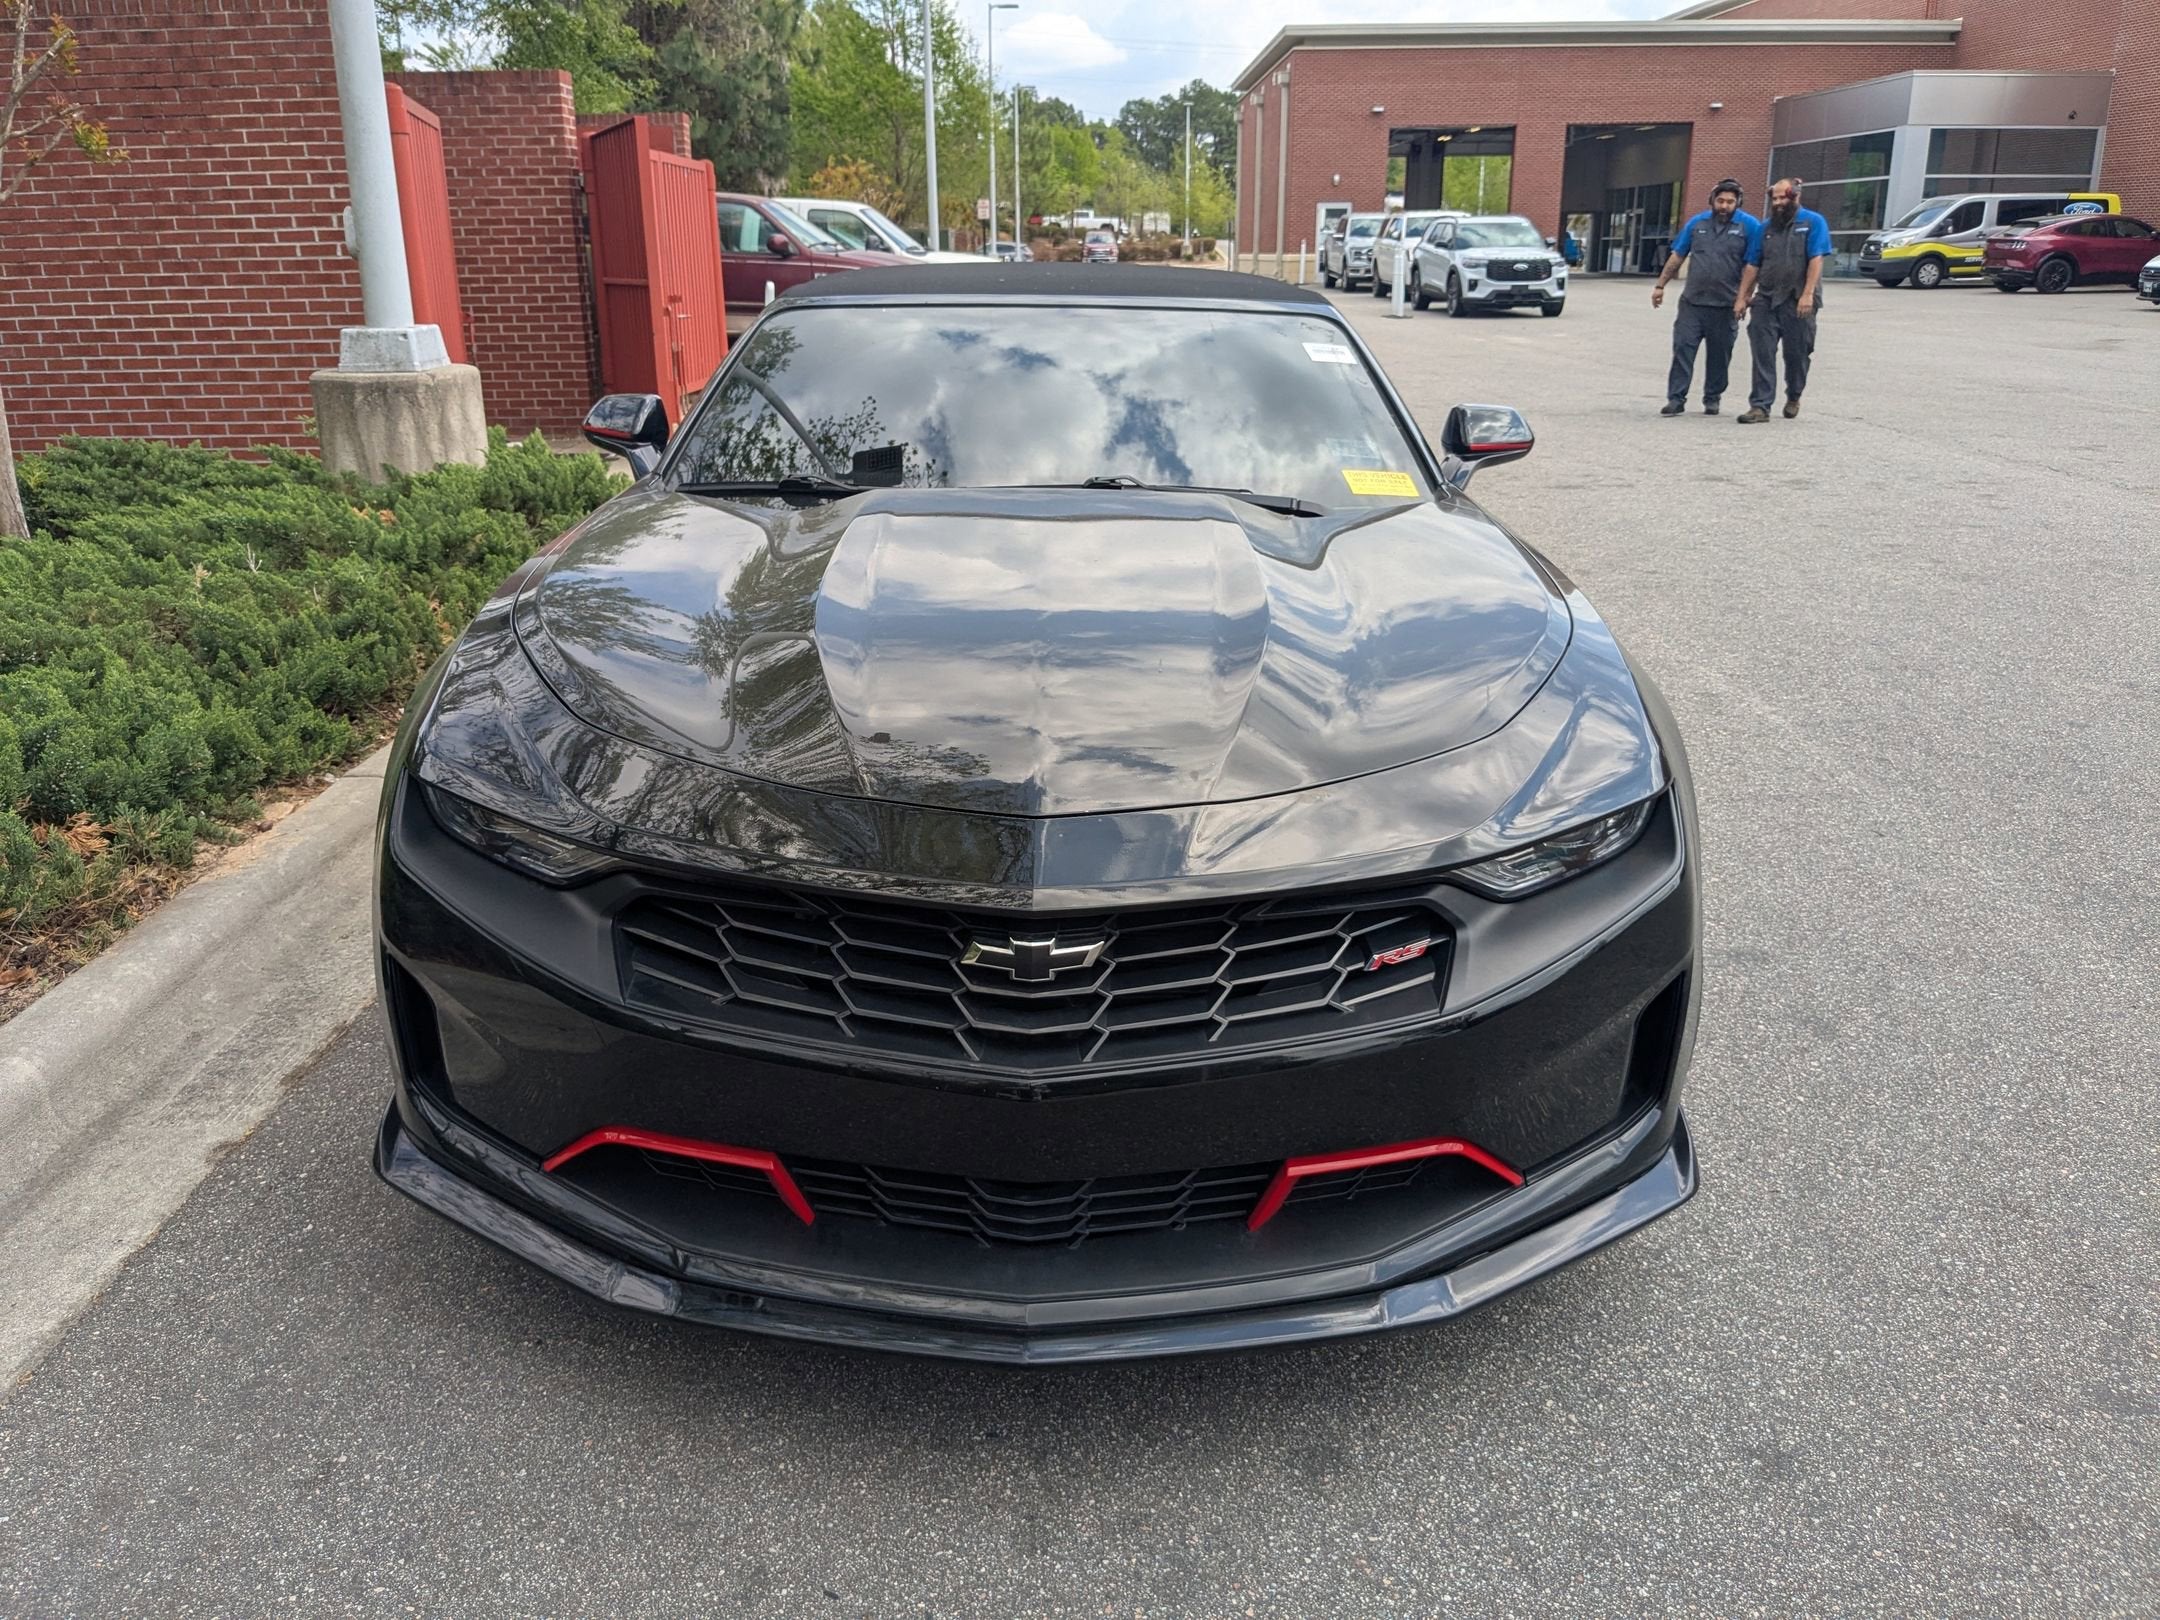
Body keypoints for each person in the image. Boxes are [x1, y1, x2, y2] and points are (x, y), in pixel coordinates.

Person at [1651, 179, 1760, 417]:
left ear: (1738, 203)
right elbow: (1678, 255)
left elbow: (1753, 265)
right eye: (1720, 201)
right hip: (1693, 303)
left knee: (1719, 354)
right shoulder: (1696, 224)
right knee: (1682, 348)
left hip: (1725, 305)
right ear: (1712, 201)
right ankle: (1676, 398)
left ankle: (1712, 397)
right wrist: (1660, 285)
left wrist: (1744, 298)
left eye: (1730, 202)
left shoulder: (1749, 226)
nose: (1724, 206)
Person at [1733, 177, 1832, 423]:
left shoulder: (1813, 222)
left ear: (1794, 197)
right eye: (1774, 199)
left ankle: (1794, 394)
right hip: (1766, 298)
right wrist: (1743, 297)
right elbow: (1753, 264)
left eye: (1781, 198)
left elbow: (1816, 259)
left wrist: (1808, 294)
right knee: (1762, 352)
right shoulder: (1764, 228)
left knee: (1797, 354)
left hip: (1798, 299)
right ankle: (1760, 406)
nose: (1777, 203)